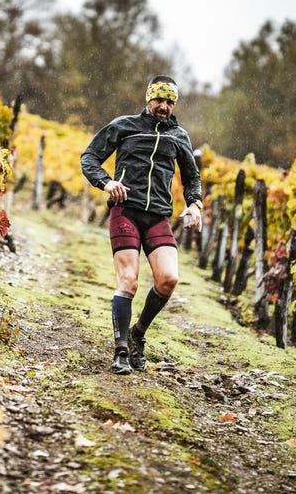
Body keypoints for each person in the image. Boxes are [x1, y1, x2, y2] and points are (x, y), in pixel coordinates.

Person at [80, 76, 203, 374]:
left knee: (168, 280)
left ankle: (138, 334)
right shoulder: (125, 125)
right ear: (148, 98)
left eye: (170, 101)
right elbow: (89, 157)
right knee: (129, 281)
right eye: (159, 100)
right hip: (126, 212)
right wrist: (106, 183)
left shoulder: (179, 136)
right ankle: (121, 351)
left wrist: (194, 203)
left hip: (158, 215)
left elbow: (192, 176)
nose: (164, 106)